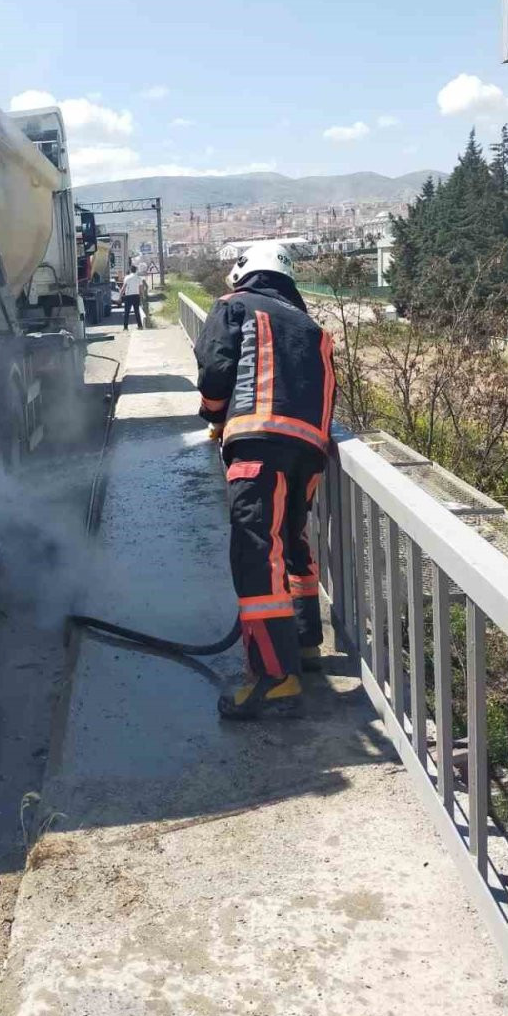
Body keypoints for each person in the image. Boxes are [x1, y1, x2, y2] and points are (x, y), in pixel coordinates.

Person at [194, 242, 336, 720]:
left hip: (258, 445)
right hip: (309, 451)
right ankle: (304, 643)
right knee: (292, 543)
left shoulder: (234, 307)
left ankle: (274, 675)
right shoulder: (311, 326)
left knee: (256, 551)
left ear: (244, 273)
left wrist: (214, 417)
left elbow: (215, 370)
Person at [121, 264, 144, 330]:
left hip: (128, 297)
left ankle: (125, 327)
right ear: (136, 270)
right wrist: (141, 296)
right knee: (137, 311)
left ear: (130, 270)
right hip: (136, 296)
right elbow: (140, 288)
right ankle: (140, 326)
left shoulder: (127, 278)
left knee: (126, 312)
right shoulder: (139, 278)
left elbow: (123, 288)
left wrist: (120, 296)